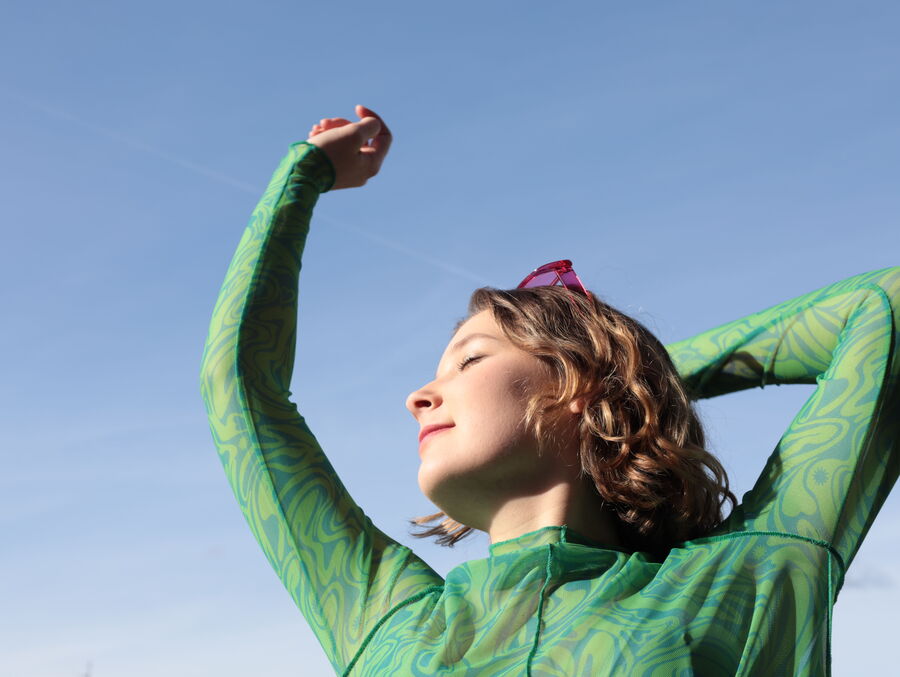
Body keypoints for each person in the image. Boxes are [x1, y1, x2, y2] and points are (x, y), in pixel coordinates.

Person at [199, 105, 899, 676]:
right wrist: (305, 175)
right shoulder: (385, 614)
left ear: (574, 388)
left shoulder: (745, 581)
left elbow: (883, 310)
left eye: (469, 360)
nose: (420, 395)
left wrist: (632, 379)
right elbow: (240, 387)